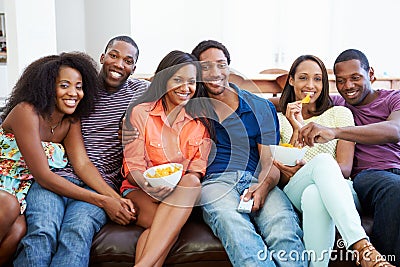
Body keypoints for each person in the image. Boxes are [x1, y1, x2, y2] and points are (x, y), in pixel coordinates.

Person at [14, 36, 148, 266]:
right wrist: (109, 200)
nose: (118, 64)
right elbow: (78, 161)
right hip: (59, 175)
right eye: (113, 56)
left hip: (102, 180)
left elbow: (174, 82)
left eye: (127, 61)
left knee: (76, 232)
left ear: (134, 68)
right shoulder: (80, 89)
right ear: (102, 57)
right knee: (42, 232)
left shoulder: (140, 91)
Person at [191, 40, 307, 267]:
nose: (215, 73)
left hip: (256, 178)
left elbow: (269, 161)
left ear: (229, 67)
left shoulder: (259, 106)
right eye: (206, 67)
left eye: (221, 65)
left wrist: (262, 187)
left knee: (282, 226)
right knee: (234, 226)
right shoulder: (191, 104)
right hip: (214, 183)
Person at [275, 54, 392, 267]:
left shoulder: (340, 113)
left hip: (340, 187)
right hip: (294, 188)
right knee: (316, 172)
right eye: (303, 78)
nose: (310, 85)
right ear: (291, 80)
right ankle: (362, 248)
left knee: (315, 193)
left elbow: (345, 169)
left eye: (318, 79)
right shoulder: (279, 120)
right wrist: (296, 128)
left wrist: (313, 166)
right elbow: (283, 170)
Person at [121, 50, 213, 267]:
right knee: (166, 228)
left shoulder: (200, 121)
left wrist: (174, 189)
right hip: (140, 190)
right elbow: (132, 168)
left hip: (178, 196)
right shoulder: (140, 113)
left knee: (191, 182)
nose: (185, 87)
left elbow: (196, 171)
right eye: (178, 80)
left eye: (191, 82)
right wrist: (149, 185)